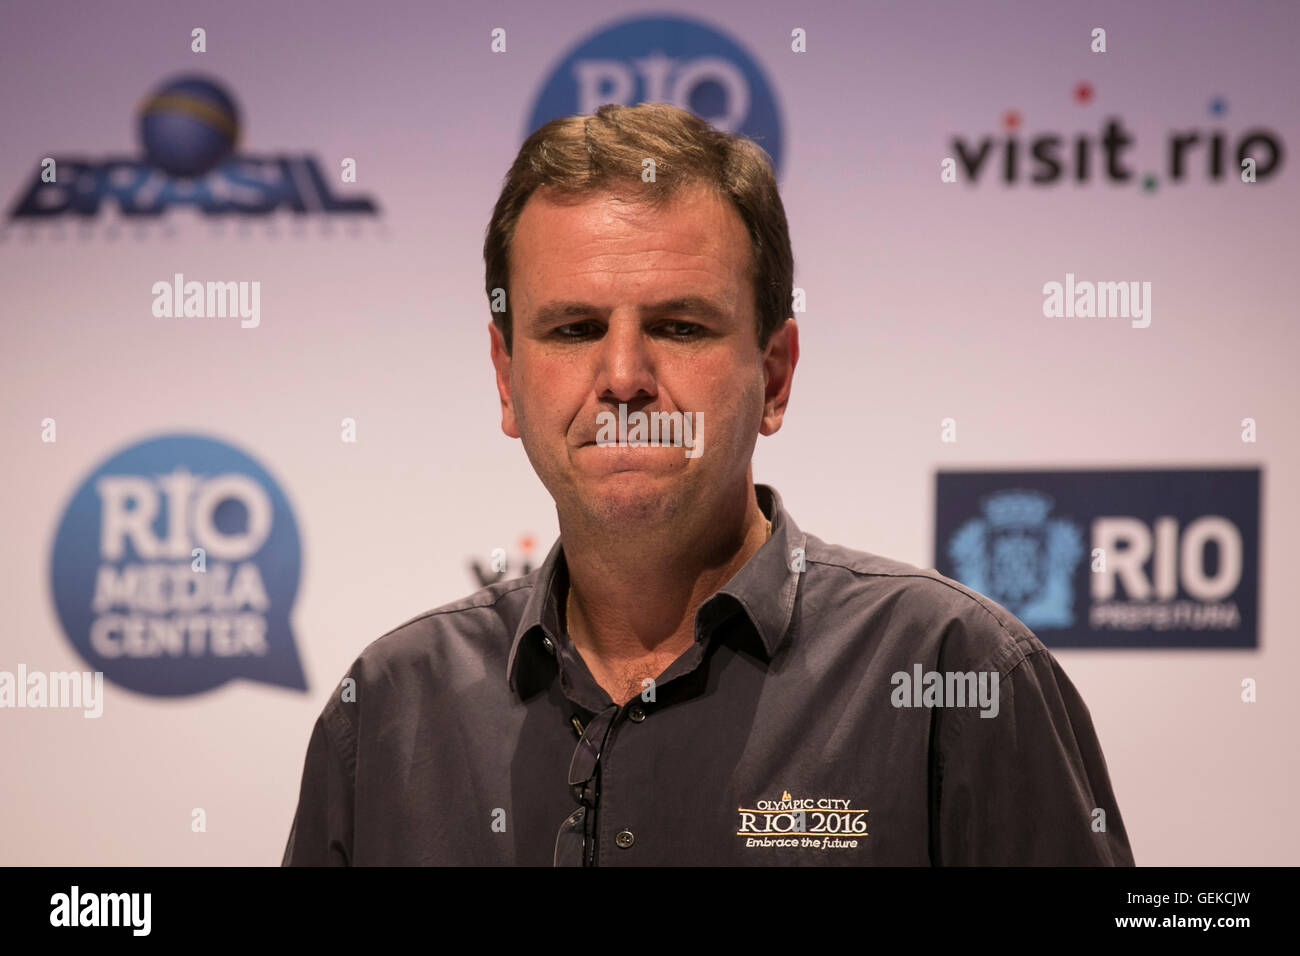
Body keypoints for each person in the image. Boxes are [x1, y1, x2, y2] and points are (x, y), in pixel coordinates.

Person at [282, 102, 1134, 866]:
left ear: (775, 373)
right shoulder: (391, 710)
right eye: (573, 328)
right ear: (507, 380)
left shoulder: (958, 674)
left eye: (679, 326)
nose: (622, 377)